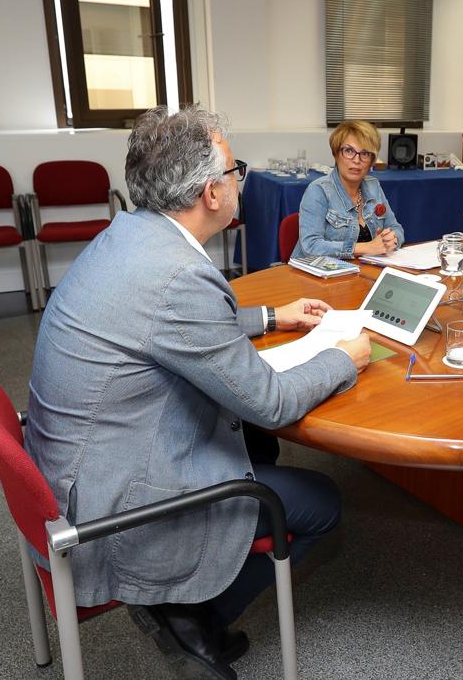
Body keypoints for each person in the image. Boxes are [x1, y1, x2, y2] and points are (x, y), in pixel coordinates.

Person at [25, 106, 372, 680]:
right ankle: (190, 616)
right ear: (213, 193)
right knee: (322, 502)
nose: (240, 182)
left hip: (71, 468)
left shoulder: (131, 234)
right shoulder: (180, 277)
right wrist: (343, 357)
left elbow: (164, 323)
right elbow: (271, 402)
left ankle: (186, 604)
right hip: (111, 509)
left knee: (260, 450)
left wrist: (267, 316)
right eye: (236, 172)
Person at [296, 120, 405, 259]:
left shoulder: (373, 185)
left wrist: (391, 240)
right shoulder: (318, 190)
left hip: (360, 271)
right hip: (316, 274)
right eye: (349, 151)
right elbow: (310, 246)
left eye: (365, 153)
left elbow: (396, 228)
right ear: (336, 154)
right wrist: (366, 248)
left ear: (372, 160)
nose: (356, 160)